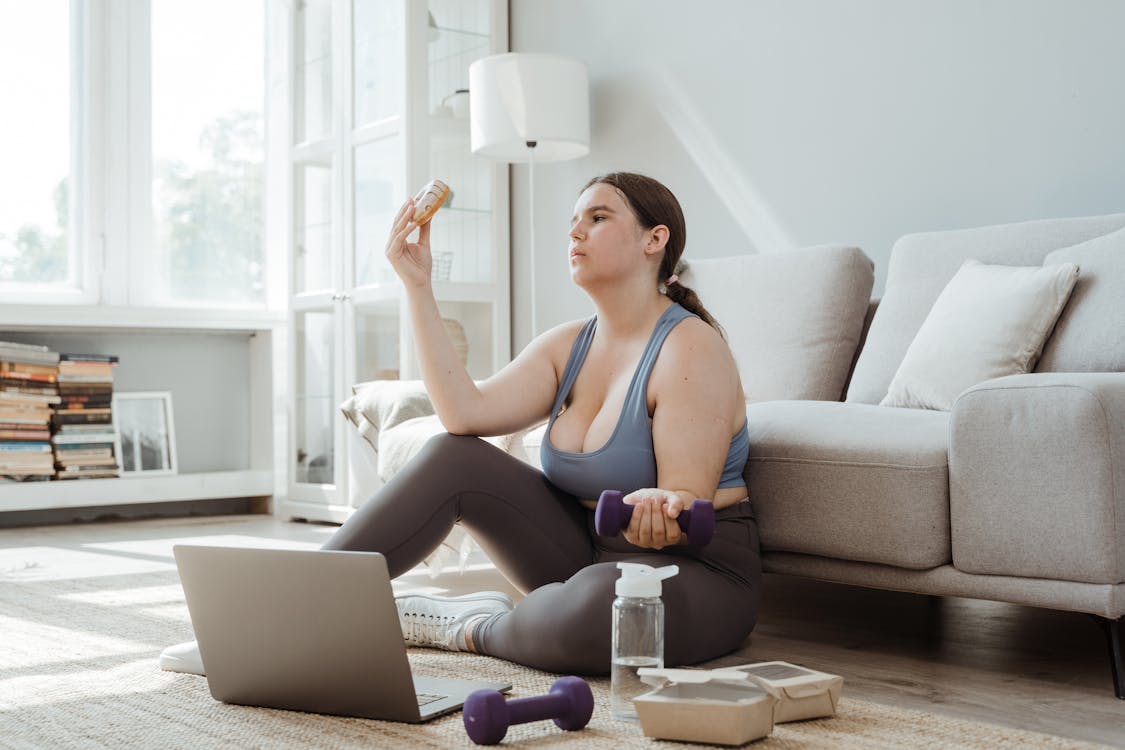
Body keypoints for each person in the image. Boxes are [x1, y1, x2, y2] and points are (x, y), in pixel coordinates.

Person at [161, 172, 760, 677]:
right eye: (573, 219)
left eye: (598, 218)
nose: (574, 231)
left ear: (656, 239)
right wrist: (418, 286)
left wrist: (664, 506)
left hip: (693, 573)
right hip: (586, 557)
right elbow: (464, 414)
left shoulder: (690, 349)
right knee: (456, 456)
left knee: (597, 613)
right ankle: (268, 628)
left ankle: (464, 622)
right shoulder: (567, 346)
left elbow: (687, 504)